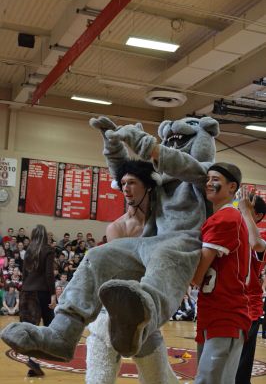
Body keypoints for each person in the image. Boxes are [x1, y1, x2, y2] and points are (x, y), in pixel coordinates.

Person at [1, 116, 219, 364]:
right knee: (97, 255)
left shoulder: (208, 178)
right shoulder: (157, 184)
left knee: (165, 258)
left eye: (177, 142)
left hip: (184, 243)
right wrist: (112, 143)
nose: (171, 147)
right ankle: (62, 333)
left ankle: (138, 326)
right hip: (150, 243)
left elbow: (187, 166)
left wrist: (146, 145)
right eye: (169, 142)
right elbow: (126, 173)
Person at [86, 159, 180, 384]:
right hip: (110, 315)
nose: (126, 188)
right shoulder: (116, 227)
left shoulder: (163, 224)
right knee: (98, 382)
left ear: (148, 185)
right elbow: (125, 270)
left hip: (145, 316)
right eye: (123, 183)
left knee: (159, 383)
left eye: (132, 182)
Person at [192, 162, 251, 384]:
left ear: (232, 186)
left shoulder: (227, 218)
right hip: (212, 308)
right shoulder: (218, 217)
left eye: (215, 179)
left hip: (227, 311)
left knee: (209, 382)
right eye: (207, 179)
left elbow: (198, 275)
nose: (208, 183)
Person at [235, 188, 266, 384]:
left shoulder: (260, 239)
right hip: (228, 305)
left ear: (259, 216)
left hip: (249, 309)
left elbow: (255, 244)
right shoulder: (233, 232)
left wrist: (245, 211)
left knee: (240, 371)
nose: (242, 209)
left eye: (248, 208)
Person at [19, 224, 56, 377]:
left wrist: (23, 290)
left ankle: (32, 361)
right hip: (41, 292)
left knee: (29, 330)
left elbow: (24, 275)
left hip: (26, 292)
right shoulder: (48, 250)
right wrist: (53, 294)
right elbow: (49, 275)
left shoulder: (28, 251)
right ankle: (38, 359)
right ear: (45, 236)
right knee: (49, 327)